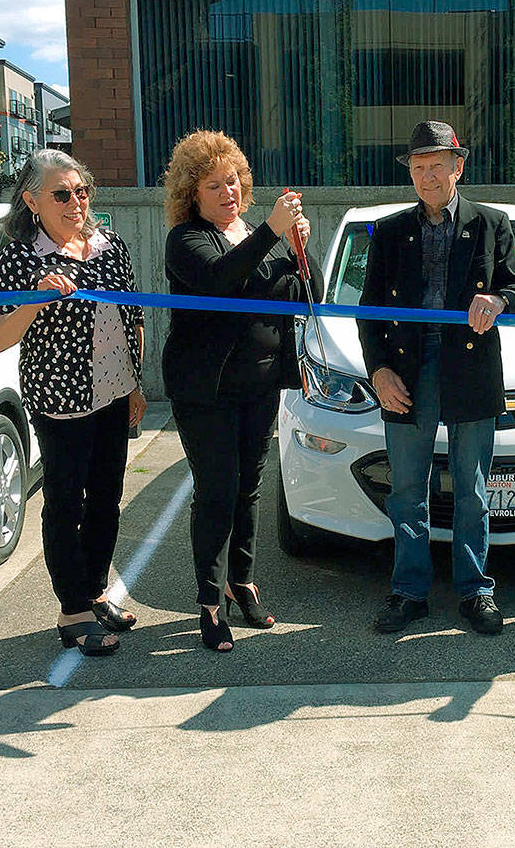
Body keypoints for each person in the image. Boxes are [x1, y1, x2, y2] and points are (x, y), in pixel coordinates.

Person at [358, 121, 515, 636]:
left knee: (473, 488)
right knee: (408, 488)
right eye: (417, 167)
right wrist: (379, 369)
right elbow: (368, 311)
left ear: (459, 166)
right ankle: (409, 592)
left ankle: (476, 590)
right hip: (406, 368)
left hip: (471, 367)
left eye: (436, 165)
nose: (427, 176)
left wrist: (498, 300)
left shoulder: (492, 223)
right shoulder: (388, 232)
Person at [161, 129, 321, 653]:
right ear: (192, 193)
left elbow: (310, 294)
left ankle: (242, 580)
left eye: (232, 181)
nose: (228, 192)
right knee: (217, 491)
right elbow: (219, 280)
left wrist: (299, 245)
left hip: (260, 384)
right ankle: (210, 600)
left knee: (249, 487)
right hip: (206, 390)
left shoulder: (258, 233)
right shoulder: (186, 240)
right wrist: (272, 233)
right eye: (214, 185)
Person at [0, 150, 147, 657]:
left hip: (114, 391)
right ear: (31, 200)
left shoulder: (109, 244)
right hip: (61, 399)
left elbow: (132, 315)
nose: (76, 202)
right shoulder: (19, 255)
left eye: (81, 191)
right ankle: (71, 609)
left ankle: (94, 590)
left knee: (105, 497)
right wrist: (36, 298)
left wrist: (136, 383)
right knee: (64, 501)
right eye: (61, 194)